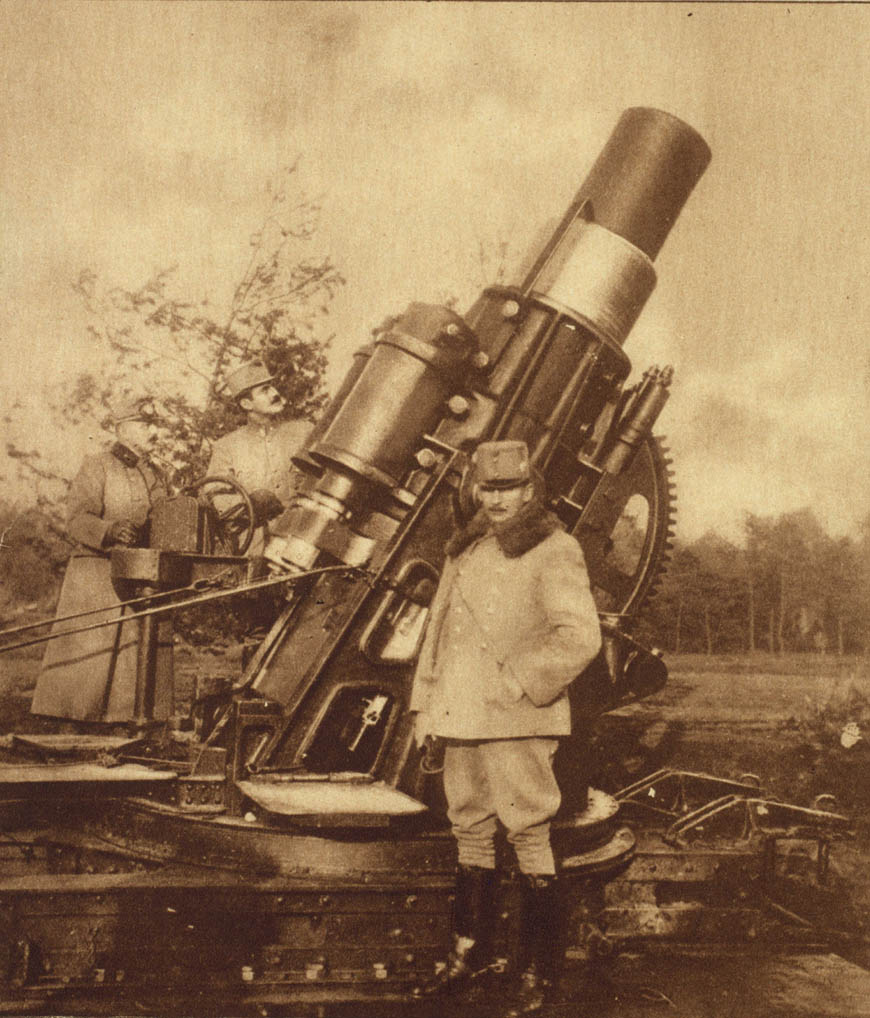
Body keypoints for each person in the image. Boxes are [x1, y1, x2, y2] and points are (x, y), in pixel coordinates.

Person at [410, 440, 601, 1014]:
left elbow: (580, 636)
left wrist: (520, 683)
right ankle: (468, 955)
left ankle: (539, 972)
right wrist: (425, 705)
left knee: (528, 833)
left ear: (531, 490)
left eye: (509, 489)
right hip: (460, 712)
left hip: (517, 714)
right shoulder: (465, 548)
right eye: (487, 489)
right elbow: (437, 630)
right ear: (475, 490)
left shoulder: (554, 548)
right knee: (469, 828)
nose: (497, 500)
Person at [30, 396, 173, 723]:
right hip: (95, 576)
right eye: (144, 424)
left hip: (139, 574)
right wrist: (109, 531)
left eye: (154, 425)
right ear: (122, 428)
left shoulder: (158, 474)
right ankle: (68, 731)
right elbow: (78, 518)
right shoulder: (97, 465)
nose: (153, 431)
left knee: (133, 660)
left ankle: (127, 727)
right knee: (86, 661)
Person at [206, 361, 312, 556]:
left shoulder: (303, 432)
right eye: (265, 390)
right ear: (247, 404)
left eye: (272, 386)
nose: (274, 393)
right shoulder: (227, 447)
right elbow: (215, 498)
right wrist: (249, 504)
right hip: (255, 550)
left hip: (303, 542)